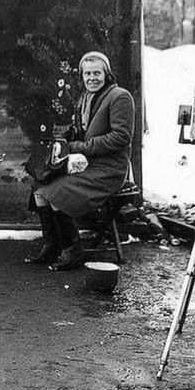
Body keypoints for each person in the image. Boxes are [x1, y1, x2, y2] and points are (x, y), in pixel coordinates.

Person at [25, 51, 135, 272]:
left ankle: (72, 250)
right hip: (87, 163)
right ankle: (52, 245)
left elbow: (121, 137)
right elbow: (82, 130)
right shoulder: (86, 97)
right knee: (39, 187)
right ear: (82, 76)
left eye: (97, 73)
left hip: (108, 169)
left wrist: (80, 147)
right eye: (87, 74)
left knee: (57, 191)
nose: (91, 78)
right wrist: (65, 138)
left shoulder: (120, 97)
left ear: (107, 74)